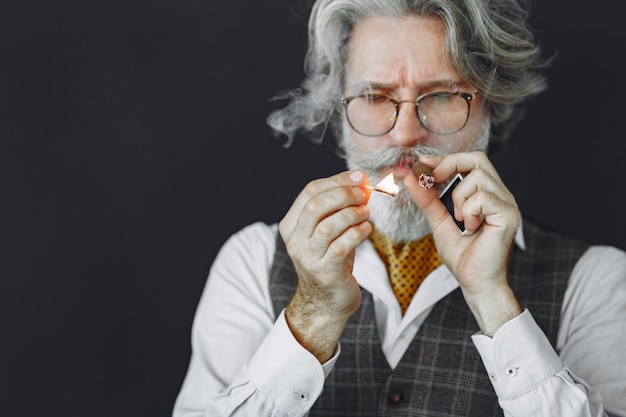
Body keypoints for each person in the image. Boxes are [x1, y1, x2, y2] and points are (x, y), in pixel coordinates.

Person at [173, 0, 626, 416]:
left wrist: (494, 301)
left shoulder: (596, 281)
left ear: (492, 106)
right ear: (339, 114)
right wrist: (312, 315)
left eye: (444, 94)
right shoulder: (251, 263)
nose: (406, 134)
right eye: (374, 97)